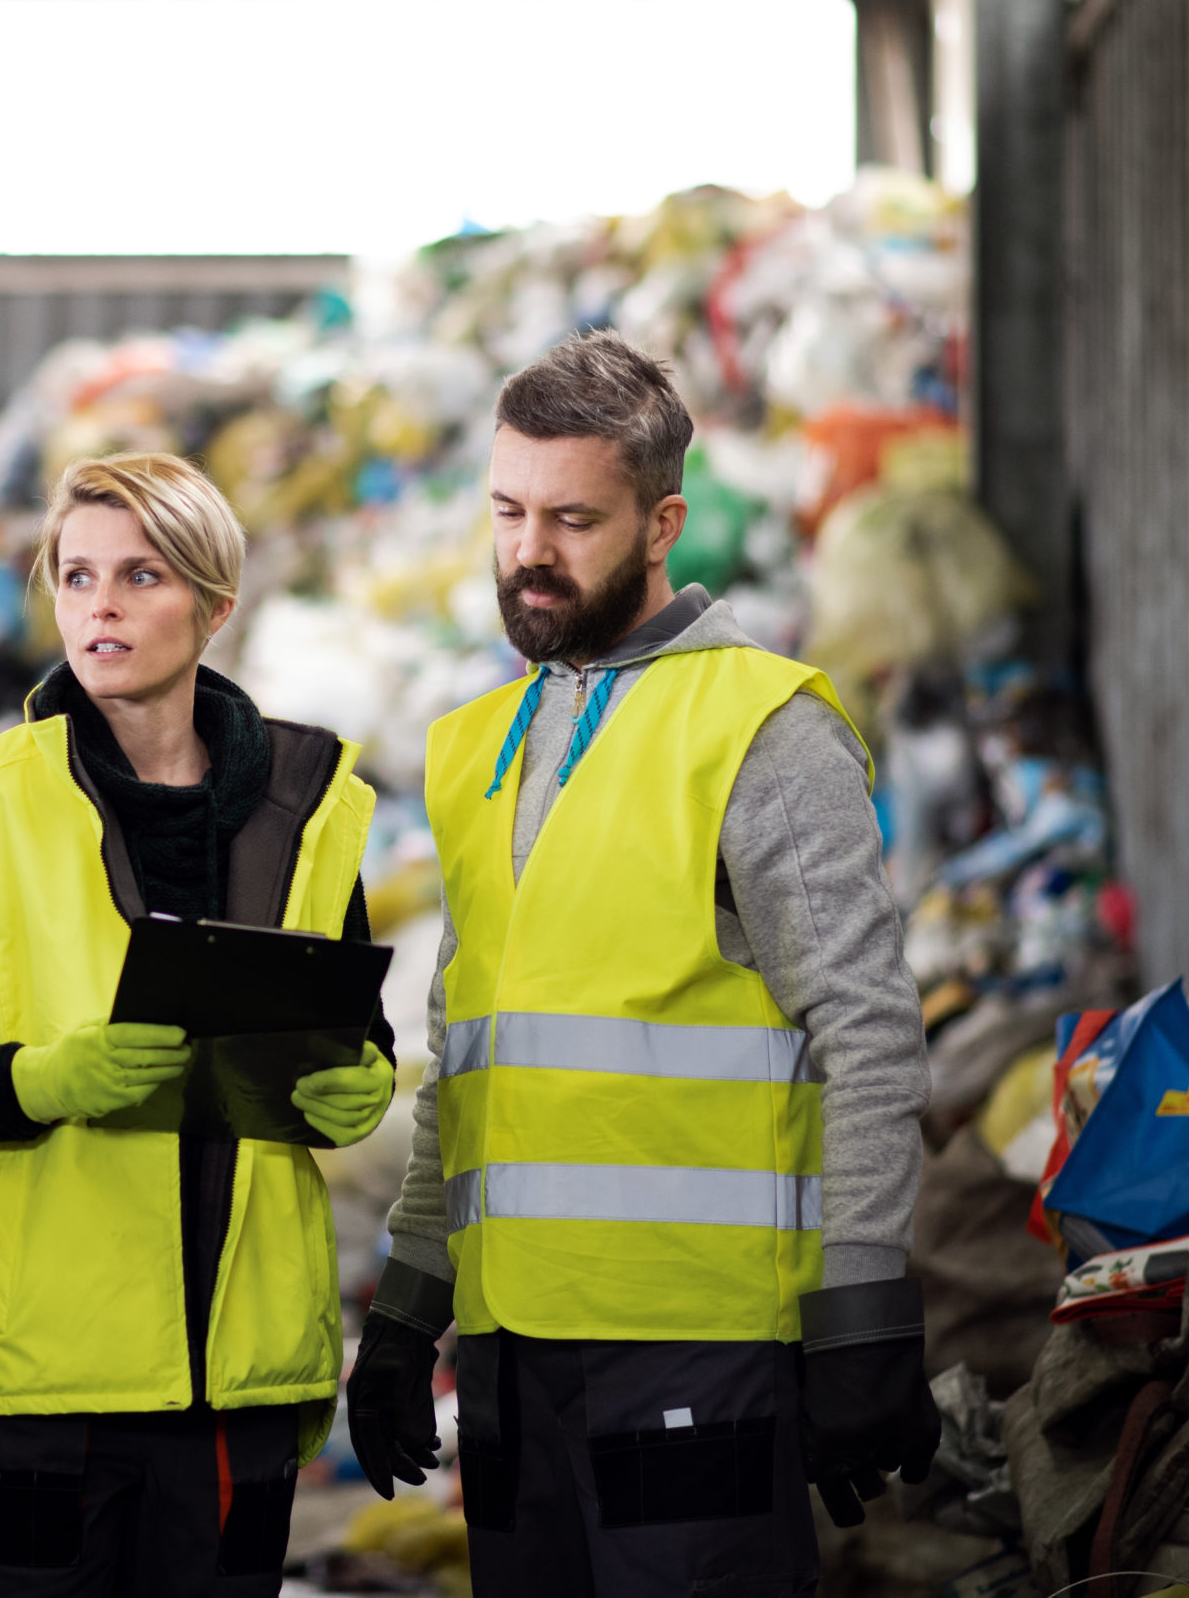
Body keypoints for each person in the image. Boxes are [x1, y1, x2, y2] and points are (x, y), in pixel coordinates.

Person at [345, 332, 938, 1595]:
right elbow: (471, 1059)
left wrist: (861, 1312)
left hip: (701, 1346)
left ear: (662, 521)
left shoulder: (761, 728)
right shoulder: (476, 747)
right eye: (507, 511)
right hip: (512, 1356)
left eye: (573, 519)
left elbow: (870, 1036)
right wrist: (409, 1303)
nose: (528, 551)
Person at [0, 451, 398, 1597]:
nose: (98, 605)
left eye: (140, 576)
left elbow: (346, 1027)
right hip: (30, 1387)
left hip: (231, 1394)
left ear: (213, 604)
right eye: (75, 574)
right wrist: (42, 1081)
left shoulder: (310, 808)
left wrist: (356, 1082)